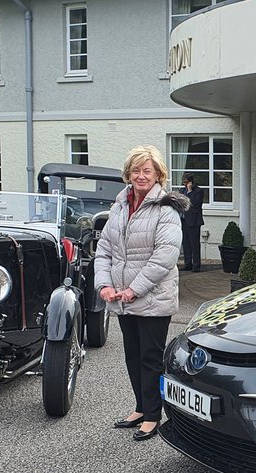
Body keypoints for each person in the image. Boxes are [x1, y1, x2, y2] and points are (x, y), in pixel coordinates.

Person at [94, 145, 188, 441]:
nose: (141, 176)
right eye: (136, 170)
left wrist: (134, 289)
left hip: (152, 298)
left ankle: (152, 415)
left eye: (147, 170)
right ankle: (140, 407)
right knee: (132, 357)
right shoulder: (119, 206)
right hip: (122, 298)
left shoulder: (166, 209)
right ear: (128, 174)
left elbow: (164, 258)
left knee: (150, 358)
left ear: (159, 174)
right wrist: (104, 285)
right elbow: (104, 250)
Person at [180, 173, 205, 271]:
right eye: (184, 182)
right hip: (184, 219)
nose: (185, 184)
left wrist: (190, 192)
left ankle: (196, 265)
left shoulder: (198, 191)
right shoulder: (182, 191)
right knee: (185, 243)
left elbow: (196, 203)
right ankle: (188, 264)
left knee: (194, 243)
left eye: (186, 182)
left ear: (191, 182)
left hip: (194, 221)